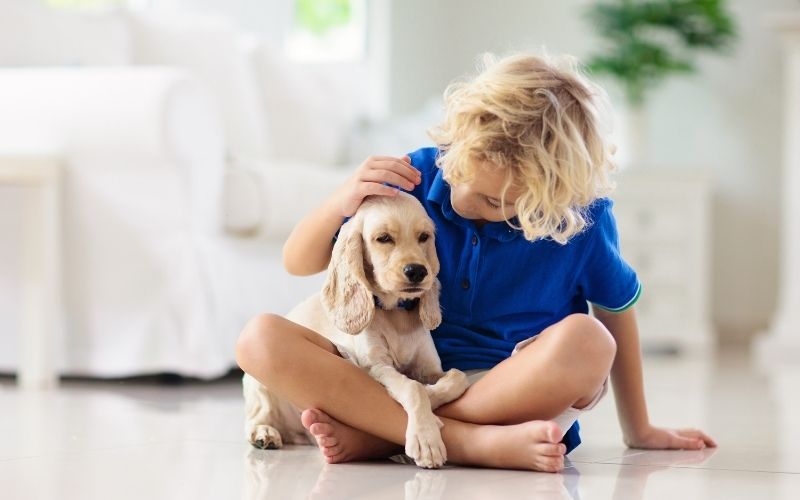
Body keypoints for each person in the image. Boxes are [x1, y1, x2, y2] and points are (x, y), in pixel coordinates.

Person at [235, 53, 716, 472]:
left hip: (509, 390)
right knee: (258, 340)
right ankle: (466, 443)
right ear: (457, 144)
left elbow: (617, 310)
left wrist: (641, 429)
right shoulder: (412, 174)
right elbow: (298, 262)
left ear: (549, 196)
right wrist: (339, 201)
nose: (466, 202)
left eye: (493, 203)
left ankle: (391, 435)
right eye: (462, 178)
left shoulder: (580, 217)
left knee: (590, 341)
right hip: (402, 380)